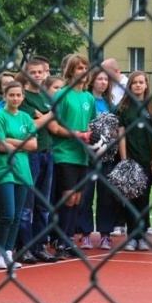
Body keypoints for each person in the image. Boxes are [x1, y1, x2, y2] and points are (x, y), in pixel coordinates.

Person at [50, 55, 97, 259]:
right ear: (70, 71)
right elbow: (53, 126)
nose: (83, 71)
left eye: (86, 67)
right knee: (67, 198)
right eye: (79, 68)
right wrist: (76, 134)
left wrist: (92, 136)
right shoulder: (62, 95)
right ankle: (60, 240)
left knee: (77, 198)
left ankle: (69, 239)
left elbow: (91, 125)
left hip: (81, 155)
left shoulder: (89, 98)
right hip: (64, 153)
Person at [0, 82, 37, 269]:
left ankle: (8, 252)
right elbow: (1, 146)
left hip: (23, 171)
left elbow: (34, 145)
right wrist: (20, 142)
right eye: (12, 95)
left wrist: (10, 140)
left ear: (23, 97)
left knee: (17, 215)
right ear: (5, 96)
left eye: (19, 95)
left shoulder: (26, 117)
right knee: (7, 214)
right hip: (3, 169)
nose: (15, 98)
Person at [17, 57, 57, 263]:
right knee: (27, 203)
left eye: (40, 72)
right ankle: (23, 246)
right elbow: (31, 125)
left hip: (47, 153)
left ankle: (39, 245)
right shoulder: (23, 98)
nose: (37, 75)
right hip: (30, 154)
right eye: (32, 72)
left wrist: (44, 116)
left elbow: (51, 119)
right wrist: (47, 116)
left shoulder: (46, 96)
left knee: (43, 203)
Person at [77, 67, 117, 250]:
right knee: (85, 195)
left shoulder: (112, 104)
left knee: (106, 196)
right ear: (92, 81)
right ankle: (85, 233)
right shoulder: (85, 99)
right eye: (100, 79)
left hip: (108, 157)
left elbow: (117, 130)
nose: (103, 82)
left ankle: (105, 234)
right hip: (88, 156)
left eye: (106, 80)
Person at [117, 71, 152, 251]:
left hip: (147, 159)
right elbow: (121, 135)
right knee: (131, 198)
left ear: (146, 85)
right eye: (135, 83)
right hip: (130, 160)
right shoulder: (123, 108)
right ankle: (132, 236)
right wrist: (124, 161)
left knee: (144, 199)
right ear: (130, 86)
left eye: (141, 82)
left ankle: (142, 235)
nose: (138, 85)